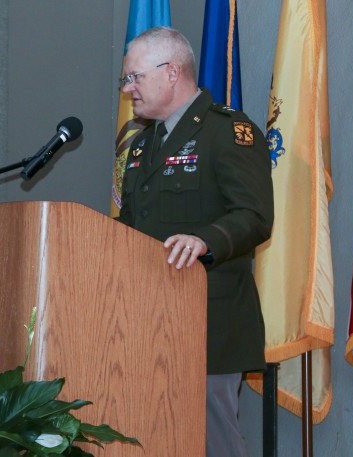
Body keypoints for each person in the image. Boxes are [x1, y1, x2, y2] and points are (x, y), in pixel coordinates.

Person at [115, 26, 274, 457]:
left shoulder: (228, 132)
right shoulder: (142, 144)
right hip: (147, 320)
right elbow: (130, 226)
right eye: (125, 79)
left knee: (214, 442)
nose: (129, 89)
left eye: (135, 77)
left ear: (171, 72)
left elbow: (255, 216)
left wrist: (205, 240)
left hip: (209, 323)